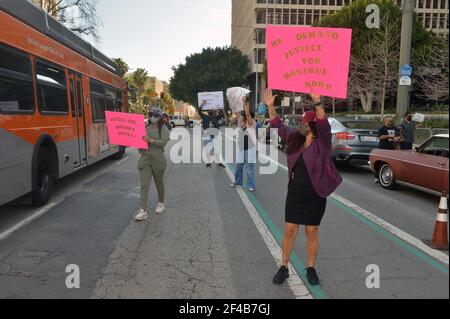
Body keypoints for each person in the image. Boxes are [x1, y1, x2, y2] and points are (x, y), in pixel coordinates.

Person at [265, 89, 343, 286]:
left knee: (312, 232)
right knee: (290, 231)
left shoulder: (322, 144)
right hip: (296, 194)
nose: (302, 124)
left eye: (305, 122)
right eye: (302, 122)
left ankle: (310, 268)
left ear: (313, 126)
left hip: (315, 195)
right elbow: (278, 125)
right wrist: (270, 106)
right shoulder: (295, 138)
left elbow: (324, 124)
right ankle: (283, 267)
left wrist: (317, 103)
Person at [135, 107, 170, 221]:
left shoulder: (163, 128)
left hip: (158, 159)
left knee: (159, 183)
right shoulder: (146, 127)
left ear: (159, 117)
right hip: (145, 159)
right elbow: (140, 140)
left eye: (155, 115)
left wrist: (150, 140)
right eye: (151, 115)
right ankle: (143, 210)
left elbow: (163, 143)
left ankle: (161, 203)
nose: (152, 117)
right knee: (144, 185)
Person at [230, 99, 257, 192]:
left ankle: (251, 185)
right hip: (241, 148)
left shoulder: (252, 123)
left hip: (250, 149)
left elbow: (248, 114)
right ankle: (238, 181)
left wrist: (245, 104)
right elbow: (237, 113)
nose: (243, 117)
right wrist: (234, 103)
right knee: (238, 166)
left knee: (249, 169)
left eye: (245, 116)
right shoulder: (241, 122)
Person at [197, 101, 226, 168]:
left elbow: (221, 113)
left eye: (211, 109)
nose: (210, 110)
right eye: (210, 109)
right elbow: (199, 111)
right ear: (208, 112)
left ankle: (219, 162)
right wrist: (203, 104)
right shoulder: (205, 117)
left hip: (215, 136)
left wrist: (218, 106)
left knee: (217, 150)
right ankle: (209, 162)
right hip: (207, 136)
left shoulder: (216, 117)